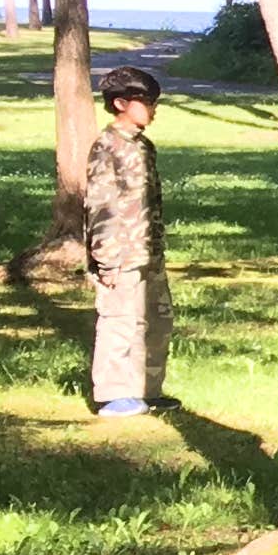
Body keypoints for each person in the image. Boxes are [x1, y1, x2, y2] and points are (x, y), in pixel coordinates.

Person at [87, 64, 173, 415]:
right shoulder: (107, 147)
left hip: (148, 249)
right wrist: (105, 258)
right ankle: (113, 394)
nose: (153, 109)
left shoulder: (144, 146)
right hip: (119, 254)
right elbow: (100, 204)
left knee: (156, 320)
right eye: (147, 101)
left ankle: (146, 389)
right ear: (122, 103)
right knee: (119, 320)